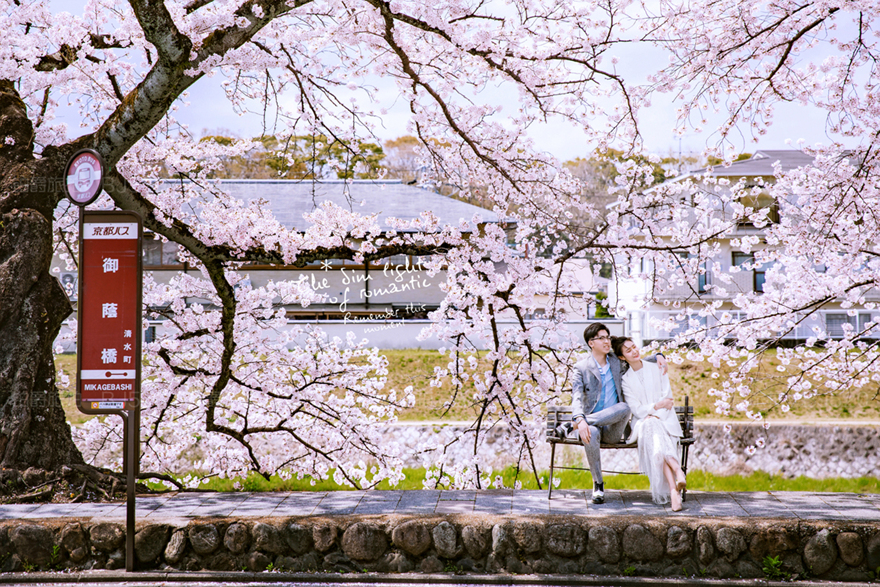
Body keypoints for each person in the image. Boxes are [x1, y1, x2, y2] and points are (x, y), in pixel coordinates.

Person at [571, 323, 666, 504]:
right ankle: (598, 484)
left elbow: (638, 359)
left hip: (614, 428)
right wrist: (580, 419)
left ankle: (571, 425)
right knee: (592, 432)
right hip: (590, 428)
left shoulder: (617, 362)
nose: (607, 341)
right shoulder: (581, 368)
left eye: (608, 337)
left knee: (624, 407)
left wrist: (659, 355)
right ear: (591, 343)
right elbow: (576, 396)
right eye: (602, 338)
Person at [613, 336, 687, 511]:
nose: (634, 351)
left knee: (654, 433)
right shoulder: (626, 380)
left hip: (665, 418)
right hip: (643, 423)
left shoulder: (657, 368)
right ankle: (677, 471)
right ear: (622, 357)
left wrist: (656, 411)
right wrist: (656, 406)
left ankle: (672, 489)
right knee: (649, 426)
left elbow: (667, 399)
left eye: (634, 347)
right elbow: (637, 410)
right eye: (628, 350)